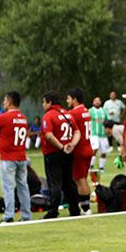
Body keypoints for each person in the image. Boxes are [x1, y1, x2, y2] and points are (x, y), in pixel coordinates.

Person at [0, 91, 32, 223]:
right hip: (21, 155)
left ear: (10, 101)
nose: (3, 103)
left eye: (5, 100)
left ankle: (8, 215)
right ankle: (26, 215)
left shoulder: (3, 117)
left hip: (8, 157)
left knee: (8, 187)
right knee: (23, 186)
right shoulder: (23, 118)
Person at [41, 91, 79, 219]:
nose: (43, 105)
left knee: (55, 183)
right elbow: (77, 132)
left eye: (44, 102)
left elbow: (49, 135)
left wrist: (61, 147)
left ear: (50, 102)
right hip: (68, 152)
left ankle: (53, 210)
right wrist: (72, 144)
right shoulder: (67, 114)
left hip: (54, 153)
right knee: (69, 182)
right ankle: (75, 208)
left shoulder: (49, 115)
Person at [66, 87, 94, 215]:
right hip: (88, 147)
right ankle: (86, 206)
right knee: (84, 178)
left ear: (75, 99)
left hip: (79, 149)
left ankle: (85, 208)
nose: (67, 101)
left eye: (69, 98)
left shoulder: (73, 113)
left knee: (80, 179)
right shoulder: (86, 111)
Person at [88, 96, 111, 183]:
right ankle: (91, 166)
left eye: (98, 101)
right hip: (94, 134)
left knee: (104, 152)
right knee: (94, 149)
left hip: (103, 134)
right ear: (93, 102)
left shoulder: (104, 111)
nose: (97, 102)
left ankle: (101, 167)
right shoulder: (90, 111)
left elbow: (107, 121)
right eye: (95, 101)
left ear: (100, 102)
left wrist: (107, 129)